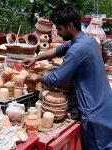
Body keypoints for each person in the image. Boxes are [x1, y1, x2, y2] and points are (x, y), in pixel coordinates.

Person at [22, 3, 112, 150]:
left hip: (95, 117)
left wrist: (37, 77)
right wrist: (35, 59)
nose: (58, 32)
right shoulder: (87, 40)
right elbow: (58, 50)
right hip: (105, 106)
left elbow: (55, 79)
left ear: (70, 26)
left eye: (59, 28)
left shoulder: (77, 50)